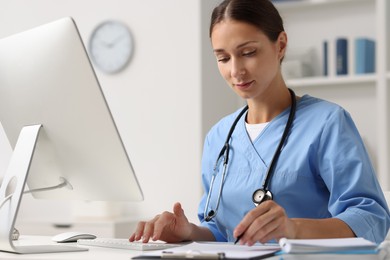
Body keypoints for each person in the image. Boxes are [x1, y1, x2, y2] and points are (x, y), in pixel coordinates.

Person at [130, 0, 390, 245]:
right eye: (223, 58)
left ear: (281, 45)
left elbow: (372, 220)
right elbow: (222, 232)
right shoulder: (219, 136)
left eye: (248, 52)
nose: (235, 71)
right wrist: (188, 232)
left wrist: (293, 229)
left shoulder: (328, 123)